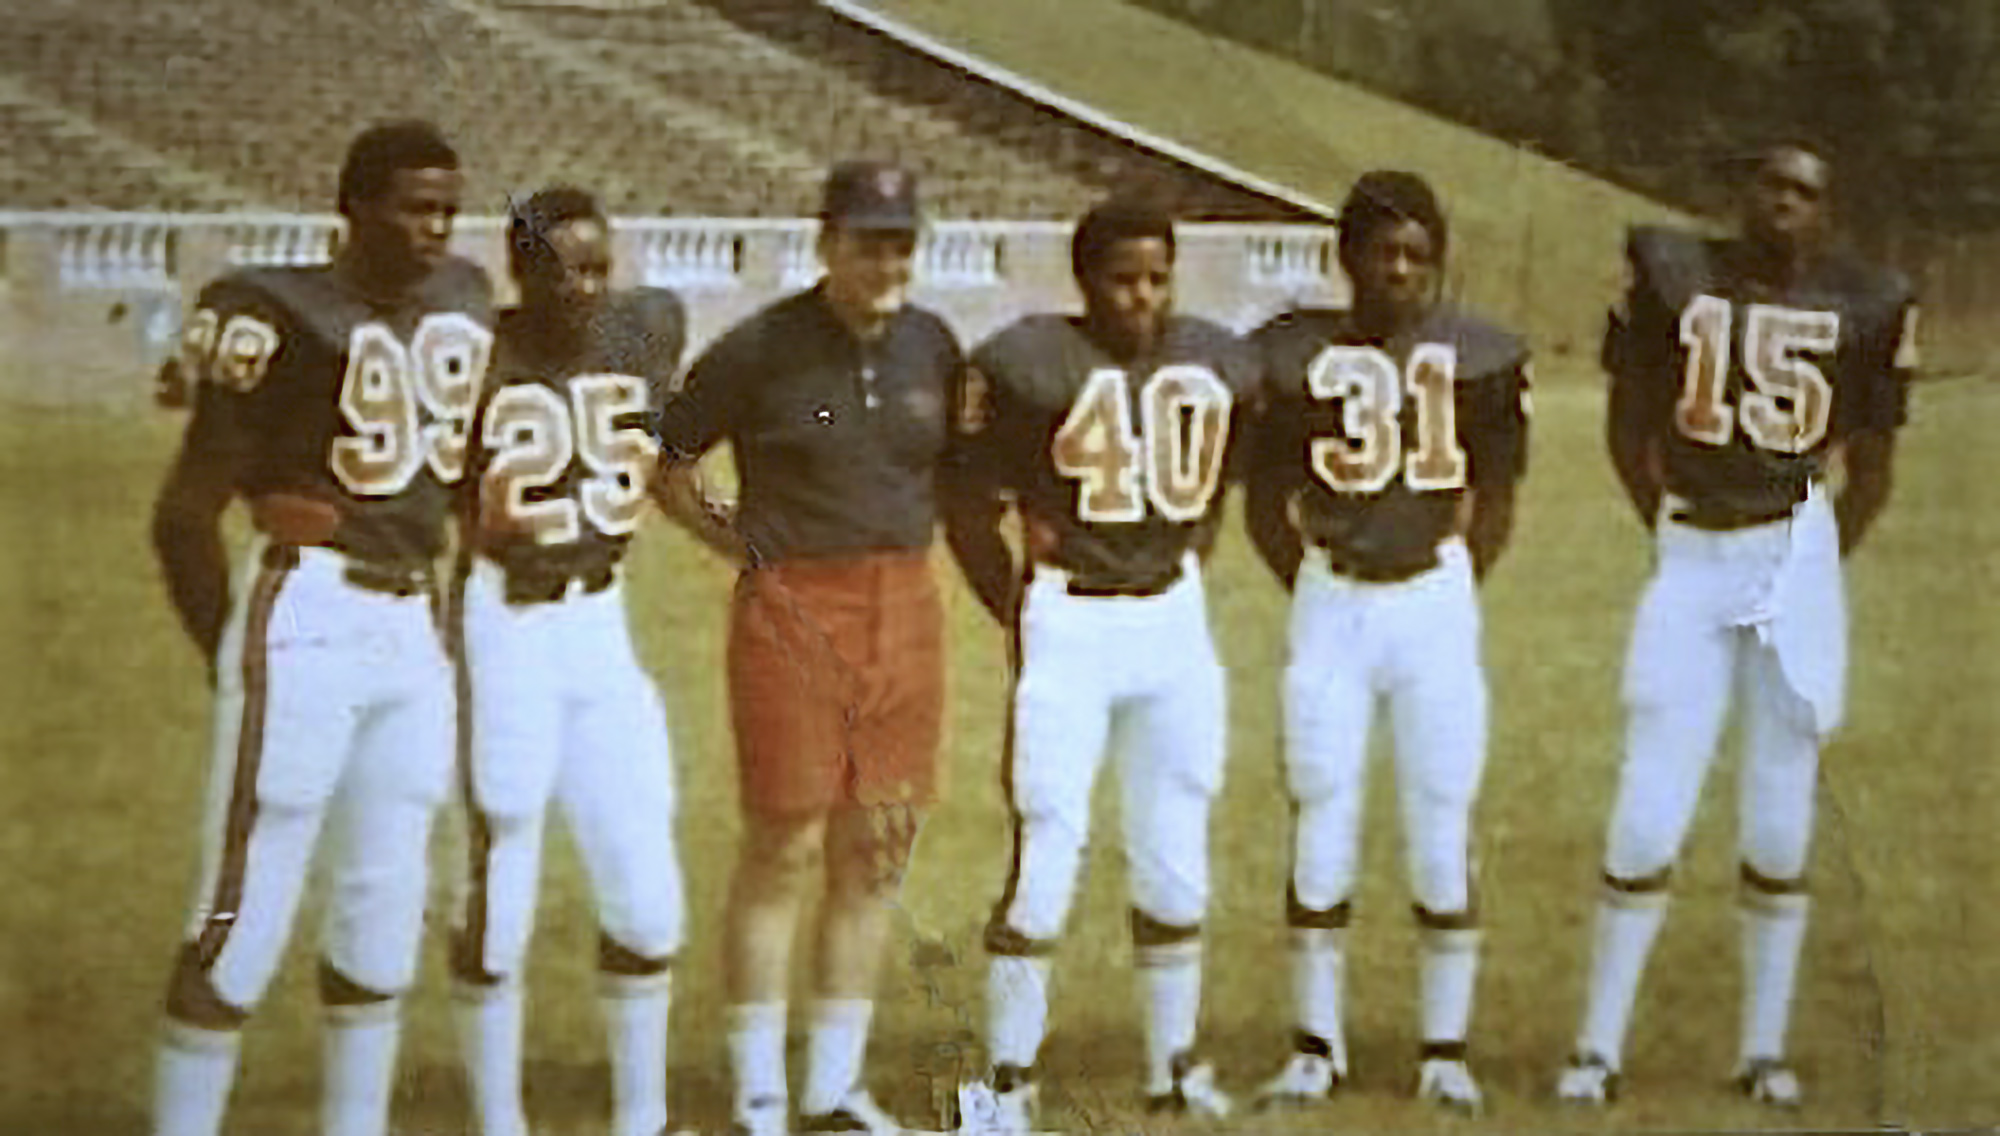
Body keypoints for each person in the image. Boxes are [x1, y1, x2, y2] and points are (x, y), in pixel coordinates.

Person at [146, 121, 493, 1136]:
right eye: (411, 206)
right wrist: (237, 662)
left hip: (409, 616)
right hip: (307, 601)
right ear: (352, 208)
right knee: (243, 915)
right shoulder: (272, 309)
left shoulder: (463, 297)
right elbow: (181, 515)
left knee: (384, 911)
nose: (432, 229)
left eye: (444, 208)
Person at [1556, 141, 1915, 1108]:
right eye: (1773, 185)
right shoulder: (1676, 275)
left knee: (1779, 814)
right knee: (1648, 805)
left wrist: (1802, 568)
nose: (1787, 204)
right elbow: (1627, 428)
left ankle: (1761, 1051)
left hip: (1791, 561)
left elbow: (1873, 472)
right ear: (1743, 193)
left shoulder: (1867, 302)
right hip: (1693, 555)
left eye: (1807, 191)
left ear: (1826, 209)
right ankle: (1596, 1048)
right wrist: (1675, 529)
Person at [653, 160, 965, 1136]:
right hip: (794, 604)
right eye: (866, 240)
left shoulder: (932, 343)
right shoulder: (759, 348)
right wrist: (735, 540)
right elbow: (666, 463)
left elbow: (950, 465)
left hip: (901, 600)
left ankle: (830, 1088)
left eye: (899, 241)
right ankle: (754, 1093)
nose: (884, 261)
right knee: (782, 843)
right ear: (824, 240)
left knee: (874, 849)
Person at [943, 199, 1261, 1131]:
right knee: (1049, 846)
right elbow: (965, 510)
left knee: (1175, 852)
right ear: (1086, 281)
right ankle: (1007, 1081)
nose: (1143, 297)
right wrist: (1020, 604)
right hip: (1071, 616)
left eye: (1158, 278)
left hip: (1171, 617)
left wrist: (1181, 557)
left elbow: (1217, 490)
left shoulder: (1215, 359)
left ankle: (1173, 1069)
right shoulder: (1024, 363)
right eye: (1125, 279)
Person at [1243, 170, 1532, 1115]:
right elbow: (1262, 510)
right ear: (1349, 257)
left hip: (1434, 601)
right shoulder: (1294, 354)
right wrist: (1326, 583)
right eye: (1384, 251)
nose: (1400, 270)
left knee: (1441, 825)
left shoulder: (1482, 356)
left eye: (1416, 254)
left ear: (1437, 262)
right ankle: (1313, 1048)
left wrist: (1444, 581)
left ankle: (1443, 1050)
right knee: (1322, 820)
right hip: (1335, 598)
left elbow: (1495, 501)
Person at [449, 186, 690, 1136]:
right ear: (519, 272)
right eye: (564, 271)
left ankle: (643, 1118)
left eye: (599, 268)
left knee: (647, 896)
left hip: (602, 624)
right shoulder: (475, 348)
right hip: (502, 624)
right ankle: (497, 1122)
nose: (586, 289)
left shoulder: (645, 330)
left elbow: (667, 461)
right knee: (500, 888)